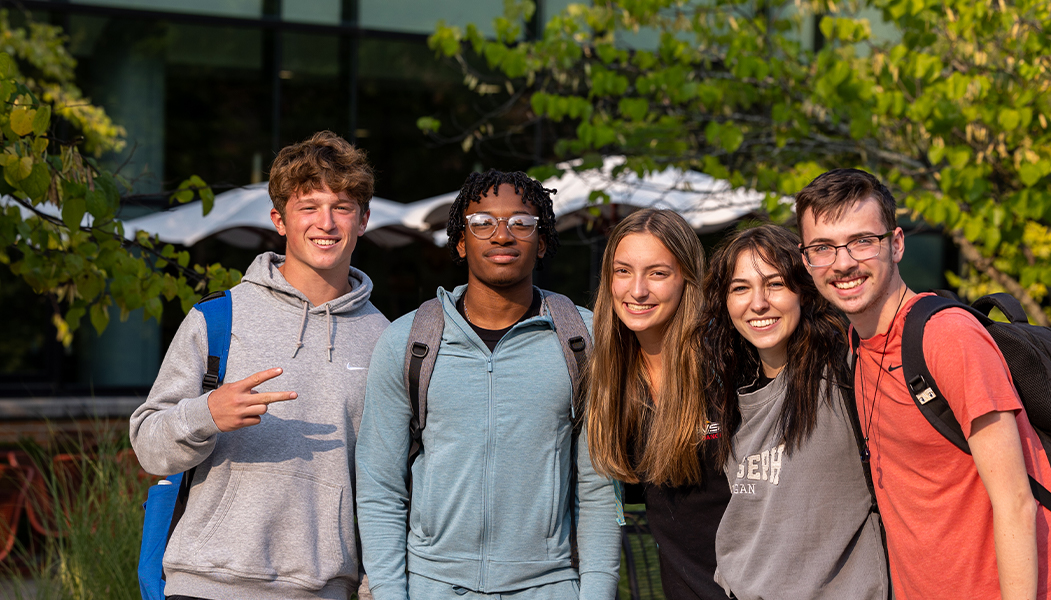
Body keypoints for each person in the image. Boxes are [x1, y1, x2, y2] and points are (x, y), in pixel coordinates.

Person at [795, 168, 1051, 600]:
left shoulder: (945, 336)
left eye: (863, 241)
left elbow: (1015, 502)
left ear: (896, 244)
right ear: (807, 261)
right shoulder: (857, 347)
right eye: (823, 248)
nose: (843, 263)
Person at [129, 131, 389, 600]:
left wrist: (372, 589)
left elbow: (391, 483)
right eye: (308, 207)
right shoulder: (217, 319)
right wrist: (206, 413)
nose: (325, 223)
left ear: (363, 219)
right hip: (203, 584)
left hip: (323, 589)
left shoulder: (388, 340)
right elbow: (150, 448)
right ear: (280, 220)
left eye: (342, 207)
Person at [356, 170, 622, 600]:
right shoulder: (409, 341)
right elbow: (379, 485)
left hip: (548, 586)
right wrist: (390, 592)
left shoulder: (583, 341)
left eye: (522, 223)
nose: (502, 235)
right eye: (482, 222)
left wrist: (596, 592)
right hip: (432, 586)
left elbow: (597, 486)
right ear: (461, 242)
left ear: (543, 242)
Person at [697, 223, 888, 600]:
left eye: (775, 284)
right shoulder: (726, 394)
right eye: (740, 288)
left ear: (804, 290)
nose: (758, 303)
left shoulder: (846, 372)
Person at [585, 209, 730, 600]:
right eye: (623, 271)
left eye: (657, 273)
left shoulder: (730, 366)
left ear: (687, 279)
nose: (637, 290)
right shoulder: (607, 379)